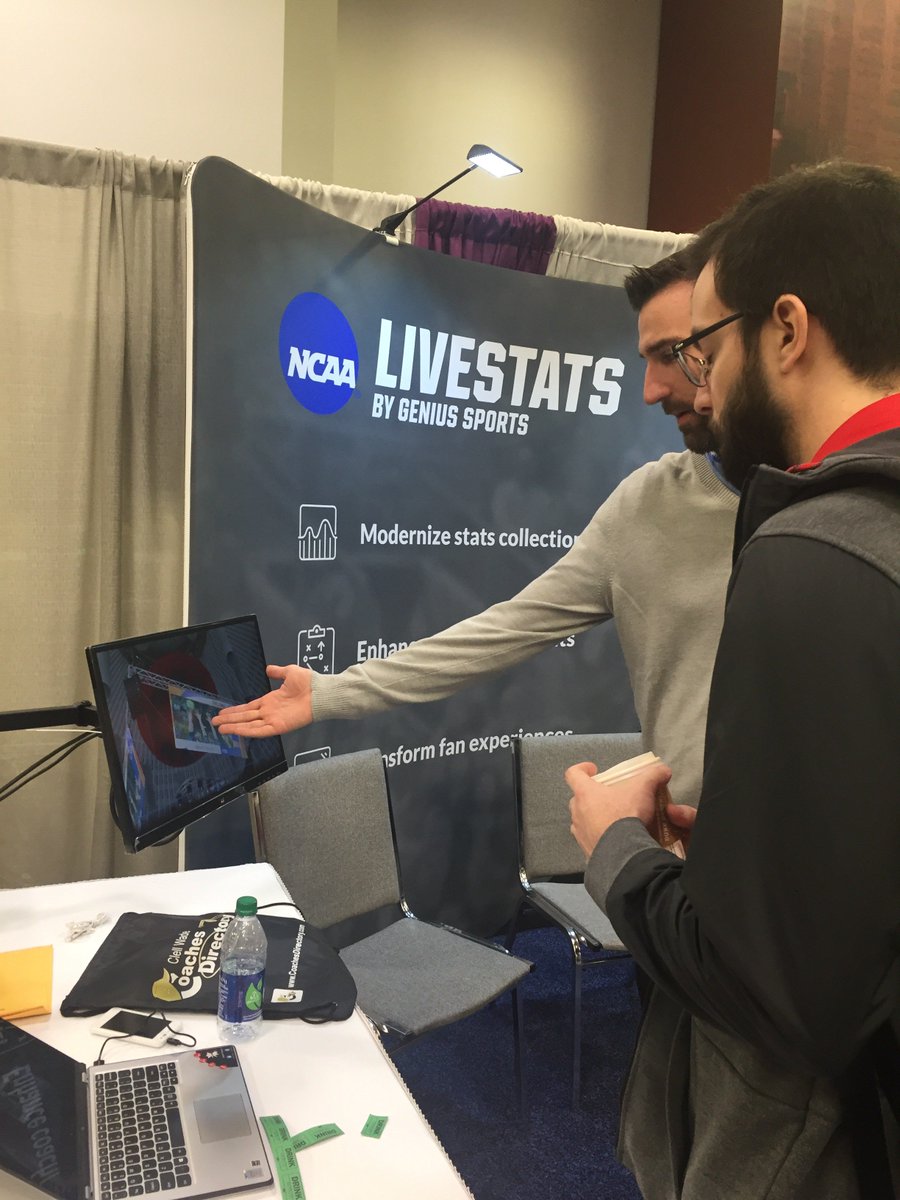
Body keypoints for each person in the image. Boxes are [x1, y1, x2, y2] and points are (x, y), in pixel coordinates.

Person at [567, 161, 900, 1200]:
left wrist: (616, 849)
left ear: (787, 331)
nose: (693, 386)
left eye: (703, 349)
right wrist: (760, 850)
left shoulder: (819, 556)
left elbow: (780, 999)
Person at [213, 249, 740, 813]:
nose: (652, 390)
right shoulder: (649, 505)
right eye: (649, 359)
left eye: (674, 354)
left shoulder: (829, 505)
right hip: (693, 856)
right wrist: (328, 693)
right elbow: (501, 631)